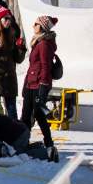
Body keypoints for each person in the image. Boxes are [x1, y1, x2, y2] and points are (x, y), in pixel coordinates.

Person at [21, 15, 59, 162]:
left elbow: (45, 66)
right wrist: (25, 84)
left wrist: (43, 86)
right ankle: (23, 142)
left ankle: (49, 143)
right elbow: (32, 66)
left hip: (38, 84)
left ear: (42, 27)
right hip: (31, 83)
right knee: (26, 115)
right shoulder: (37, 41)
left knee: (39, 114)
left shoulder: (43, 44)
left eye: (36, 24)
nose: (33, 26)